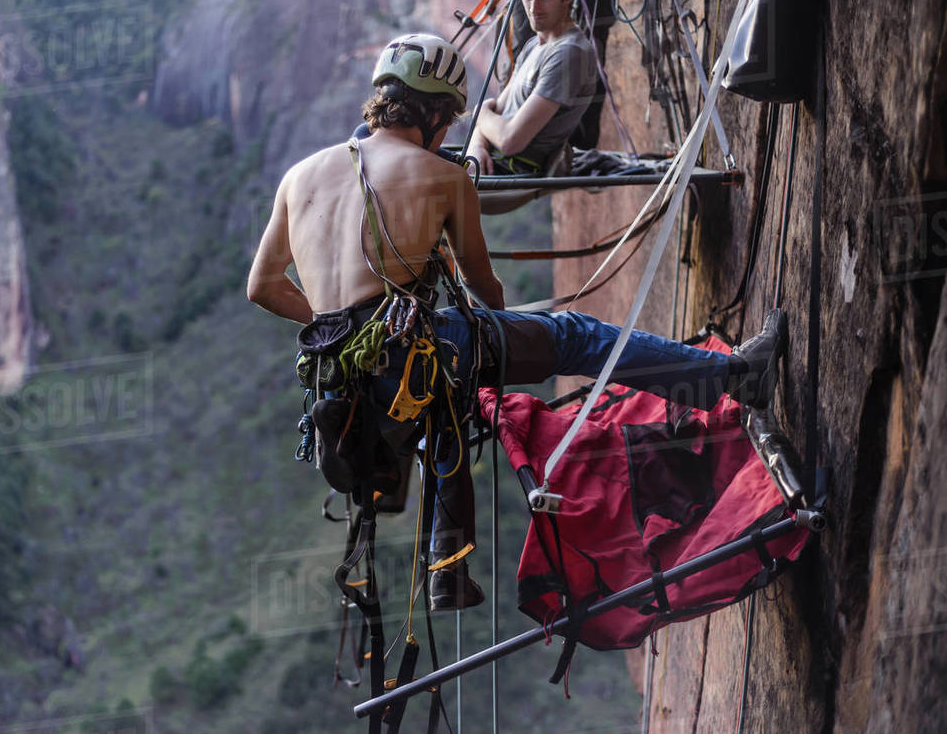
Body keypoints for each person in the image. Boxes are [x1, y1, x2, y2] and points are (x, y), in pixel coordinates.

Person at [247, 33, 785, 610]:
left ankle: (446, 571)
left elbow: (264, 287)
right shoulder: (442, 176)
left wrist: (342, 324)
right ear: (432, 111)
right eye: (448, 119)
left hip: (342, 382)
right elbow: (483, 287)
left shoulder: (298, 176)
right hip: (417, 354)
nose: (448, 131)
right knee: (572, 335)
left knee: (440, 407)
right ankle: (731, 378)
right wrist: (501, 337)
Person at [467, 0, 598, 174]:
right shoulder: (533, 47)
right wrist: (476, 145)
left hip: (512, 171)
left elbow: (510, 141)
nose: (533, 8)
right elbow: (497, 111)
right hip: (488, 161)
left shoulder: (568, 53)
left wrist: (479, 111)